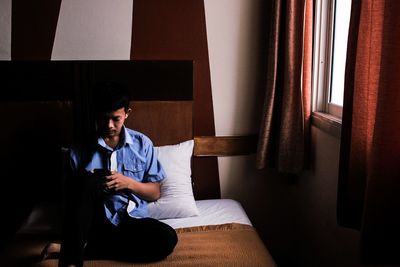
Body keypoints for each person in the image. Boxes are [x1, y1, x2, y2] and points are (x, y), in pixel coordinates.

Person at [58, 82, 178, 267]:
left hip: (129, 220)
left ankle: (76, 249)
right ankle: (72, 258)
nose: (109, 125)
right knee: (87, 181)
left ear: (127, 114)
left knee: (167, 239)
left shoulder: (142, 144)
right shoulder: (79, 149)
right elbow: (70, 201)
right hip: (93, 223)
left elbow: (155, 192)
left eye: (116, 119)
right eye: (103, 118)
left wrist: (128, 183)